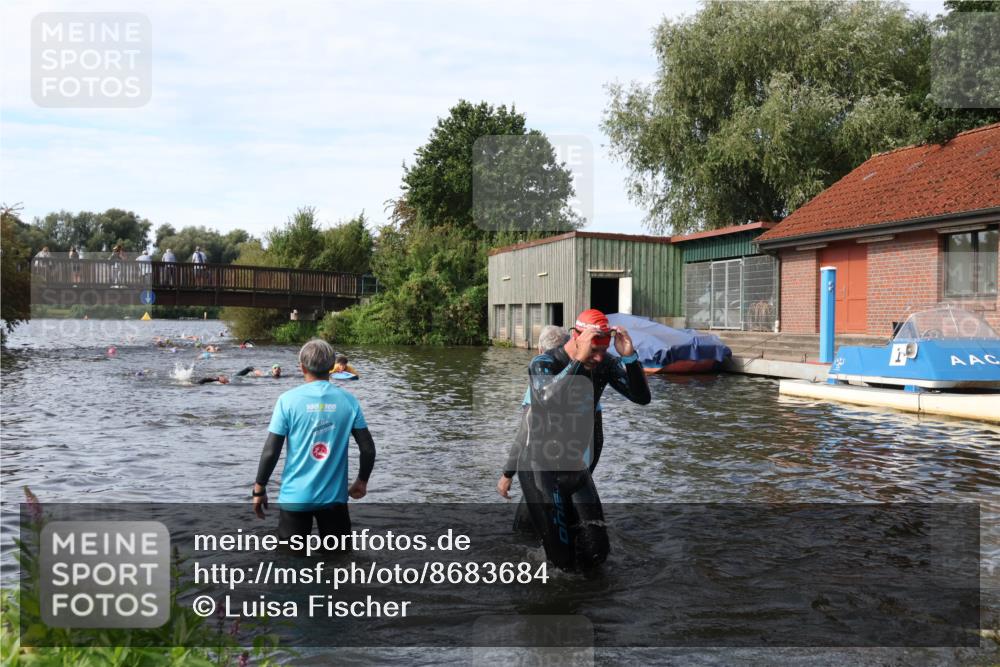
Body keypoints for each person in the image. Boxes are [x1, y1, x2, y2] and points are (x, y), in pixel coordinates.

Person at [496, 309, 651, 570]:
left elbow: (641, 397)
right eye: (593, 349)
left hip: (574, 467)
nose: (599, 357)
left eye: (603, 350)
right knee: (563, 563)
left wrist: (630, 358)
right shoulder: (543, 364)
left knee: (597, 554)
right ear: (577, 337)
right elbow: (545, 403)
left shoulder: (603, 365)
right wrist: (508, 472)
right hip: (539, 467)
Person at [253, 339, 376, 542]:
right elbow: (368, 449)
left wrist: (259, 489)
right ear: (331, 368)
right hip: (334, 500)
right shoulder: (349, 400)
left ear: (302, 367)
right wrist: (361, 482)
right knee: (339, 563)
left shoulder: (287, 400)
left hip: (295, 498)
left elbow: (271, 451)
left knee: (291, 563)